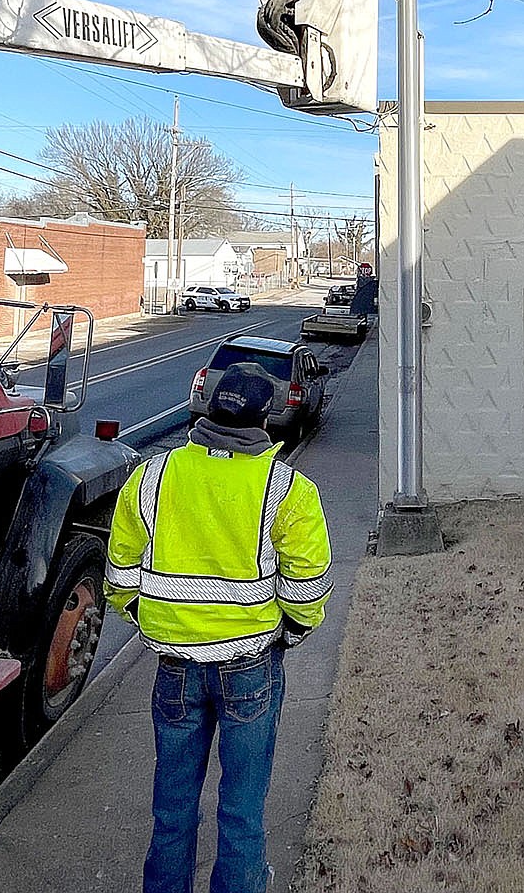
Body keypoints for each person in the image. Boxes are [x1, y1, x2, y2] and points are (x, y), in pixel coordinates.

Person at [104, 362, 333, 893]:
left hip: (175, 669)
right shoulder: (287, 489)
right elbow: (308, 585)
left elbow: (119, 570)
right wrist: (292, 632)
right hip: (250, 667)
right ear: (265, 417)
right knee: (243, 813)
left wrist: (143, 617)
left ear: (209, 409)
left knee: (172, 814)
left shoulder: (153, 477)